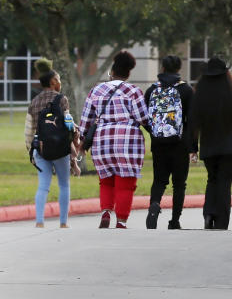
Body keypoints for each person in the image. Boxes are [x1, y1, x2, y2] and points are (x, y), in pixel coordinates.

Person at [78, 50, 150, 229]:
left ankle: (105, 212)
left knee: (106, 181)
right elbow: (143, 117)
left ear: (112, 71)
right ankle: (121, 221)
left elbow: (86, 120)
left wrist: (81, 142)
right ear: (128, 73)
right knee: (126, 183)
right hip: (127, 142)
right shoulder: (133, 90)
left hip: (101, 141)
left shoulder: (96, 90)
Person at [190, 57, 232, 230]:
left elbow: (193, 124)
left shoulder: (199, 97)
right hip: (229, 147)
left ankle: (209, 213)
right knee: (224, 183)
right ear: (226, 75)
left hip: (208, 146)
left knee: (212, 180)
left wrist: (192, 148)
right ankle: (221, 222)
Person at [24, 58, 80, 228]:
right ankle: (63, 223)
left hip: (41, 149)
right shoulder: (62, 100)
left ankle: (39, 221)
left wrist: (31, 151)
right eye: (59, 80)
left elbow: (28, 131)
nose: (60, 83)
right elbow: (68, 126)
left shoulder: (34, 102)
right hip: (61, 150)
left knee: (43, 186)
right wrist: (73, 154)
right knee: (64, 184)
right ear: (53, 82)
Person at [143, 55, 196, 229]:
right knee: (179, 184)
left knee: (159, 180)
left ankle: (154, 205)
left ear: (162, 68)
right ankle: (174, 221)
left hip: (158, 143)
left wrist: (155, 134)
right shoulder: (186, 90)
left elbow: (145, 118)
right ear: (179, 69)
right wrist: (192, 146)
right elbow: (193, 120)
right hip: (180, 144)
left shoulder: (152, 90)